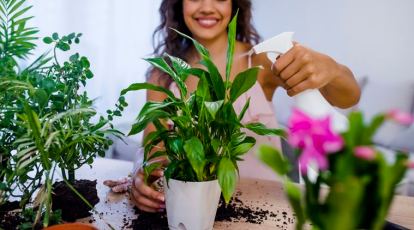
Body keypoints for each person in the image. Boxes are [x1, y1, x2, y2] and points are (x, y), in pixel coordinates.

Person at [126, 0, 360, 213]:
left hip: (267, 213)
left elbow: (347, 98)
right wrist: (140, 171)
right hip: (193, 211)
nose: (207, 7)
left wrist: (332, 69)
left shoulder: (261, 62)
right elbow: (153, 149)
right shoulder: (163, 75)